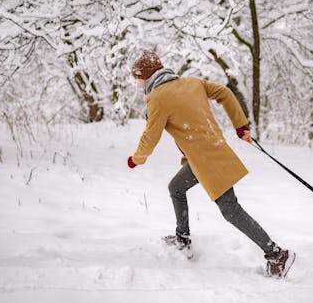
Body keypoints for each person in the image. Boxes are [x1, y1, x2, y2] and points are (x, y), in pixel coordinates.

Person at [126, 49, 296, 278]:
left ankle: (276, 254)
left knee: (231, 211)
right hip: (204, 156)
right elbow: (224, 92)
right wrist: (240, 125)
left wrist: (136, 159)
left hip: (208, 161)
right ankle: (183, 239)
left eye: (136, 77)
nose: (136, 83)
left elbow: (151, 136)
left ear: (145, 75)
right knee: (176, 188)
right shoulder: (192, 82)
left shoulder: (157, 98)